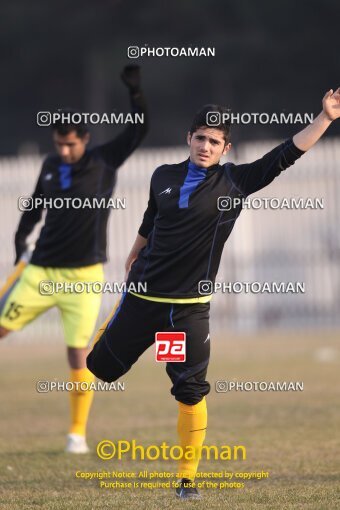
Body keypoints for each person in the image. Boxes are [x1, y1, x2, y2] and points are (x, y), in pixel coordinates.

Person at [87, 88, 339, 498]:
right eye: (200, 137)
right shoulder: (162, 175)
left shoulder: (236, 181)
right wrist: (134, 251)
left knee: (188, 390)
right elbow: (153, 216)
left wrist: (325, 118)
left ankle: (187, 481)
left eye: (215, 140)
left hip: (186, 312)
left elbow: (286, 153)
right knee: (101, 369)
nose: (206, 146)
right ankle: (143, 339)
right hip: (143, 301)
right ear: (189, 138)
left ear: (227, 147)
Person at [0, 65, 148, 454]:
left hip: (84, 277)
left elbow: (138, 131)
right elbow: (33, 210)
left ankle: (77, 435)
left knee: (78, 354)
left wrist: (134, 93)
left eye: (70, 145)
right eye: (58, 144)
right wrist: (20, 244)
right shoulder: (50, 167)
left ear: (84, 139)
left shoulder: (104, 161)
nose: (64, 152)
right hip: (40, 272)